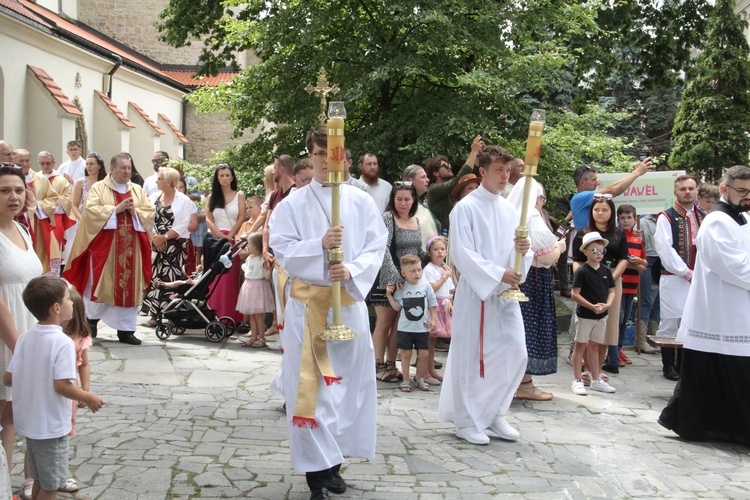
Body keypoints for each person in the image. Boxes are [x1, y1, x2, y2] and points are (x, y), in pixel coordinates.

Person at [268, 124, 387, 500]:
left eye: (331, 152)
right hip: (308, 308)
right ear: (309, 156)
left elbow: (375, 245)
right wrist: (318, 246)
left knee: (347, 388)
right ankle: (316, 475)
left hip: (348, 305)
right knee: (312, 390)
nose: (324, 160)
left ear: (342, 155)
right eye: (318, 153)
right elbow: (282, 248)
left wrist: (350, 270)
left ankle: (333, 463)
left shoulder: (360, 201)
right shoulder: (293, 203)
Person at [438, 145, 531, 446]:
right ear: (483, 172)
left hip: (505, 292)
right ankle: (466, 421)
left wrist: (522, 254)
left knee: (516, 352)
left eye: (508, 170)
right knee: (473, 357)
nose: (505, 176)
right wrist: (497, 272)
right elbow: (463, 254)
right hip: (479, 291)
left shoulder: (508, 208)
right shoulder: (464, 208)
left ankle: (495, 413)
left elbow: (517, 253)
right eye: (499, 170)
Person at [658, 165, 750, 446]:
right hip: (721, 312)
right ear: (725, 189)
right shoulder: (716, 222)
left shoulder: (742, 218)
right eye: (742, 191)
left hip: (736, 309)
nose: (747, 196)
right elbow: (734, 267)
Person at [5, 276, 103, 500]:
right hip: (51, 425)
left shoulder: (25, 338)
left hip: (30, 423)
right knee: (51, 486)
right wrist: (88, 397)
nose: (72, 302)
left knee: (41, 479)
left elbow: (8, 378)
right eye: (69, 298)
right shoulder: (63, 342)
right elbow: (62, 385)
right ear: (56, 307)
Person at [63, 153, 155, 346]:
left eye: (129, 168)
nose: (127, 171)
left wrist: (134, 212)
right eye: (122, 168)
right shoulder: (98, 188)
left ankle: (126, 330)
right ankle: (92, 321)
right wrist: (116, 209)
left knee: (130, 287)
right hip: (106, 249)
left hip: (132, 249)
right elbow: (89, 212)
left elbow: (148, 212)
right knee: (100, 284)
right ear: (112, 169)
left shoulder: (137, 190)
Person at [0, 163, 43, 479]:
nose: (13, 197)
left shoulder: (23, 230)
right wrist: (17, 346)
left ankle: (18, 481)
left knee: (16, 413)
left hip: (28, 330)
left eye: (18, 189)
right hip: (7, 336)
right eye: (4, 191)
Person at [507, 178, 566, 401]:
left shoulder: (511, 213)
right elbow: (548, 256)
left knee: (519, 330)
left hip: (521, 278)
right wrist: (560, 246)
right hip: (533, 280)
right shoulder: (530, 216)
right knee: (530, 330)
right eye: (542, 198)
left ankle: (516, 381)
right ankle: (525, 383)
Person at [370, 182, 424, 384]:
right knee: (384, 323)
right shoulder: (388, 218)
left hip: (408, 280)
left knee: (399, 325)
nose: (403, 203)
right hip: (387, 279)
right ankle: (378, 365)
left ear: (413, 200)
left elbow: (418, 251)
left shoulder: (416, 221)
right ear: (393, 199)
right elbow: (382, 248)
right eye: (399, 199)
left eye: (407, 199)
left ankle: (392, 364)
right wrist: (393, 277)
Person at [571, 195, 628, 376]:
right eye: (597, 210)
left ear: (612, 212)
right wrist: (585, 277)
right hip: (588, 282)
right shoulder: (583, 233)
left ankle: (597, 369)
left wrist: (610, 277)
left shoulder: (618, 234)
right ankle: (586, 369)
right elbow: (576, 261)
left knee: (607, 328)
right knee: (588, 324)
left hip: (611, 282)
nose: (600, 213)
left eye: (605, 210)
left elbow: (623, 259)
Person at [654, 175, 704, 381]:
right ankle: (668, 366)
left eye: (691, 188)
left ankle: (684, 365)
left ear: (697, 190)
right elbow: (665, 249)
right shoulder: (666, 217)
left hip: (699, 279)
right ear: (675, 191)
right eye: (683, 188)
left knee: (691, 321)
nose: (687, 192)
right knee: (670, 322)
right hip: (674, 277)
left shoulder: (703, 216)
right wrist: (685, 272)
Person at [141, 167, 193, 327]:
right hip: (157, 242)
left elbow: (183, 223)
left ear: (169, 181)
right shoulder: (154, 197)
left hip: (175, 245)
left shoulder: (184, 201)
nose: (157, 181)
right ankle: (154, 315)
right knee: (156, 277)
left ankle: (171, 315)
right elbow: (148, 217)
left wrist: (165, 237)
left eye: (160, 178)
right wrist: (156, 237)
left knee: (173, 278)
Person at [570, 232, 617, 396]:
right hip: (585, 315)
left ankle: (596, 379)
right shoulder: (582, 271)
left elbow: (612, 290)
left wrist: (608, 305)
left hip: (601, 315)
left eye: (601, 250)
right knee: (580, 345)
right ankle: (577, 380)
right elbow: (575, 294)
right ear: (585, 252)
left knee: (595, 346)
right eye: (594, 251)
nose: (598, 254)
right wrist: (591, 306)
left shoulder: (606, 270)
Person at [386, 254, 437, 393]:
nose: (417, 273)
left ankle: (419, 377)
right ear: (404, 273)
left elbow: (433, 304)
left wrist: (433, 319)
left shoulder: (426, 286)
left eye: (419, 270)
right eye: (413, 271)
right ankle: (406, 380)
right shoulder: (402, 289)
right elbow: (397, 307)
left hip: (422, 328)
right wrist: (389, 295)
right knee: (406, 353)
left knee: (424, 354)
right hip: (405, 328)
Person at [59, 288, 92, 495]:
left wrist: (85, 390)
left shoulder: (80, 337)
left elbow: (84, 365)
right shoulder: (54, 335)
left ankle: (60, 474)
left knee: (63, 434)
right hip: (54, 390)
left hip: (69, 394)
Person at [205, 163, 245, 324]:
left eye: (227, 175)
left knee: (229, 280)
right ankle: (213, 315)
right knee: (215, 279)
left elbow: (241, 217)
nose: (225, 178)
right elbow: (208, 218)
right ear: (217, 178)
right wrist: (219, 235)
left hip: (231, 240)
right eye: (221, 175)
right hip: (216, 241)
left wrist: (231, 235)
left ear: (232, 177)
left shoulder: (239, 195)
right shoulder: (212, 197)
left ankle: (229, 316)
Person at [569, 159, 652, 231]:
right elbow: (613, 190)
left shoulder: (583, 199)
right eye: (593, 180)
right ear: (582, 182)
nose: (597, 183)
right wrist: (636, 173)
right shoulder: (579, 198)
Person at [425, 135, 484, 232]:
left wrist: (478, 155)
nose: (449, 167)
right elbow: (457, 180)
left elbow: (473, 176)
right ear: (436, 173)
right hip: (443, 240)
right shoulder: (433, 190)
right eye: (445, 165)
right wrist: (473, 151)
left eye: (449, 164)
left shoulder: (452, 189)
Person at [35, 151, 75, 276]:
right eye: (42, 163)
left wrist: (43, 204)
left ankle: (51, 279)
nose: (45, 166)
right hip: (36, 221)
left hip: (54, 221)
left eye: (48, 163)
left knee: (53, 251)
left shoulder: (61, 180)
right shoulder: (34, 178)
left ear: (54, 163)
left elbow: (68, 200)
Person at [616, 204, 647, 364]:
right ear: (618, 219)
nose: (626, 221)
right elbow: (618, 262)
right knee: (618, 319)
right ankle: (614, 351)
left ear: (635, 220)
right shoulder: (617, 238)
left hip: (632, 285)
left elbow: (643, 265)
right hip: (619, 285)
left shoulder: (638, 239)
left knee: (625, 319)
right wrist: (631, 263)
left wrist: (637, 262)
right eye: (622, 218)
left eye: (629, 218)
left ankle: (619, 349)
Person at [421, 235, 453, 385]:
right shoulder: (429, 270)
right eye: (435, 249)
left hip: (443, 306)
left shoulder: (445, 268)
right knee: (428, 340)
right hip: (433, 308)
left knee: (432, 341)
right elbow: (432, 288)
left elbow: (450, 290)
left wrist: (450, 302)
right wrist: (445, 277)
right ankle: (424, 372)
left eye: (442, 249)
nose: (440, 252)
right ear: (429, 252)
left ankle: (431, 370)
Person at [236, 232, 274, 348]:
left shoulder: (261, 260)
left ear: (257, 245)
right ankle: (253, 336)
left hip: (258, 288)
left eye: (250, 244)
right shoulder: (249, 258)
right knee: (252, 315)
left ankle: (262, 338)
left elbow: (267, 277)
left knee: (258, 316)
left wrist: (269, 269)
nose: (248, 246)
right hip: (249, 287)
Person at [638, 212, 661, 347]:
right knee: (647, 301)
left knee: (658, 302)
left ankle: (653, 336)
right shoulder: (644, 222)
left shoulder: (665, 219)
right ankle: (641, 340)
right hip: (649, 261)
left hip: (662, 263)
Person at [402, 164, 438, 248]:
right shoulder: (403, 206)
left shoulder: (421, 204)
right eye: (423, 177)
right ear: (411, 181)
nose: (428, 180)